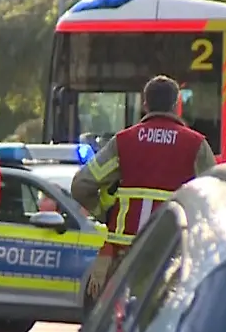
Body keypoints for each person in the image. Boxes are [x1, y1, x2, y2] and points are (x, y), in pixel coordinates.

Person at [71, 75, 216, 297]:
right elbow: (214, 198)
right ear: (176, 105)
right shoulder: (196, 145)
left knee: (119, 313)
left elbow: (81, 185)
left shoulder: (124, 141)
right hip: (172, 251)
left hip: (124, 252)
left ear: (145, 104)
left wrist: (105, 213)